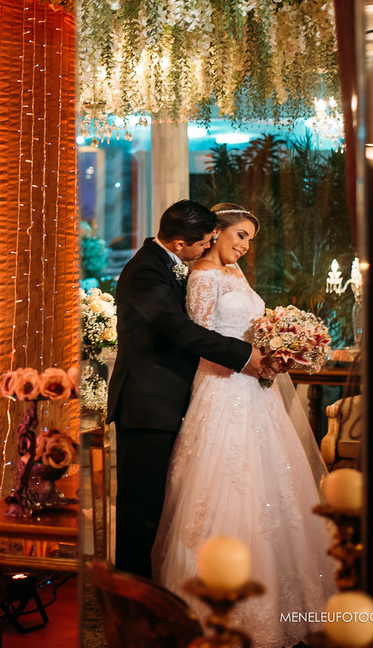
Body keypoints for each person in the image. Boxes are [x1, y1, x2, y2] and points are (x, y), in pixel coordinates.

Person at [151, 203, 336, 647]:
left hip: (257, 390)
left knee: (275, 487)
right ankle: (215, 602)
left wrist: (280, 346)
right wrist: (249, 360)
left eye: (251, 239)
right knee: (225, 486)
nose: (245, 246)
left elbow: (253, 328)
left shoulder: (236, 275)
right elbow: (199, 340)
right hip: (221, 390)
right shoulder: (202, 277)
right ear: (215, 234)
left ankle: (281, 590)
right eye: (240, 236)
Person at [106, 200, 266, 579]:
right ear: (180, 244)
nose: (206, 249)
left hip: (170, 399)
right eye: (203, 242)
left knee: (159, 503)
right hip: (147, 404)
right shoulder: (145, 272)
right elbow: (179, 330)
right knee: (139, 507)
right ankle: (131, 598)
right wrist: (244, 355)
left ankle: (146, 588)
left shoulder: (166, 264)